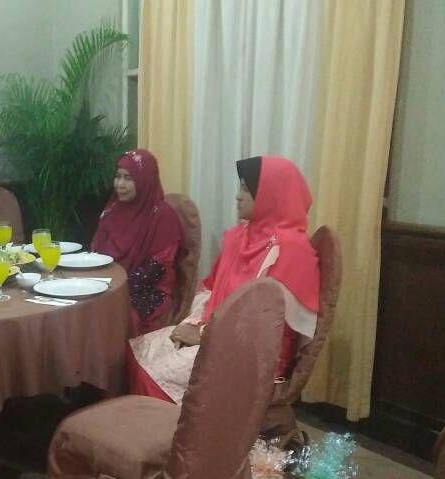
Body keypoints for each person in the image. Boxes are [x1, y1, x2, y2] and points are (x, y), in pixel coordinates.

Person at [128, 156, 320, 404]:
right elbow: (212, 288)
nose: (238, 197)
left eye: (246, 190)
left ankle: (173, 428)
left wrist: (204, 335)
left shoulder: (291, 250)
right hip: (218, 331)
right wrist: (194, 324)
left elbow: (268, 325)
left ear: (270, 195)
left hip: (252, 356)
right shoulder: (242, 235)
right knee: (137, 353)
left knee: (150, 375)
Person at [91, 149, 183, 335]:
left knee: (107, 315)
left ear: (144, 180)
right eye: (118, 176)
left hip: (146, 290)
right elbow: (96, 252)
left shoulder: (163, 216)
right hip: (107, 284)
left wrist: (114, 288)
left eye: (128, 178)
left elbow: (157, 269)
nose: (120, 184)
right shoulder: (113, 211)